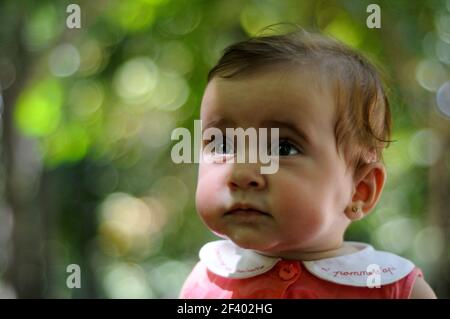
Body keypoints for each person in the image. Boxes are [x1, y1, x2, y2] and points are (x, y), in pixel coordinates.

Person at [179, 29, 436, 298]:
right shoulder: (206, 282)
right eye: (223, 146)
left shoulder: (391, 288)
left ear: (360, 189)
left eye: (282, 148)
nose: (241, 172)